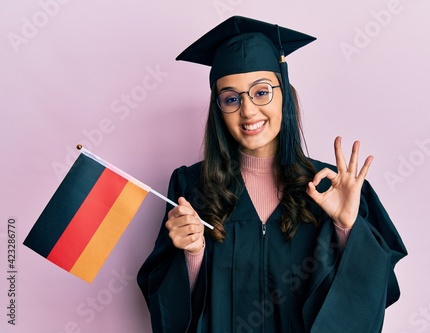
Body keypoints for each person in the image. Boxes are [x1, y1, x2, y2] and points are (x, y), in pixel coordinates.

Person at [137, 16, 407, 333]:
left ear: (284, 95)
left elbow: (374, 294)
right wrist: (192, 254)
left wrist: (347, 228)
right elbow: (168, 309)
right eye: (231, 98)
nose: (248, 111)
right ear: (218, 108)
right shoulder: (190, 187)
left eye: (261, 92)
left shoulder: (331, 186)